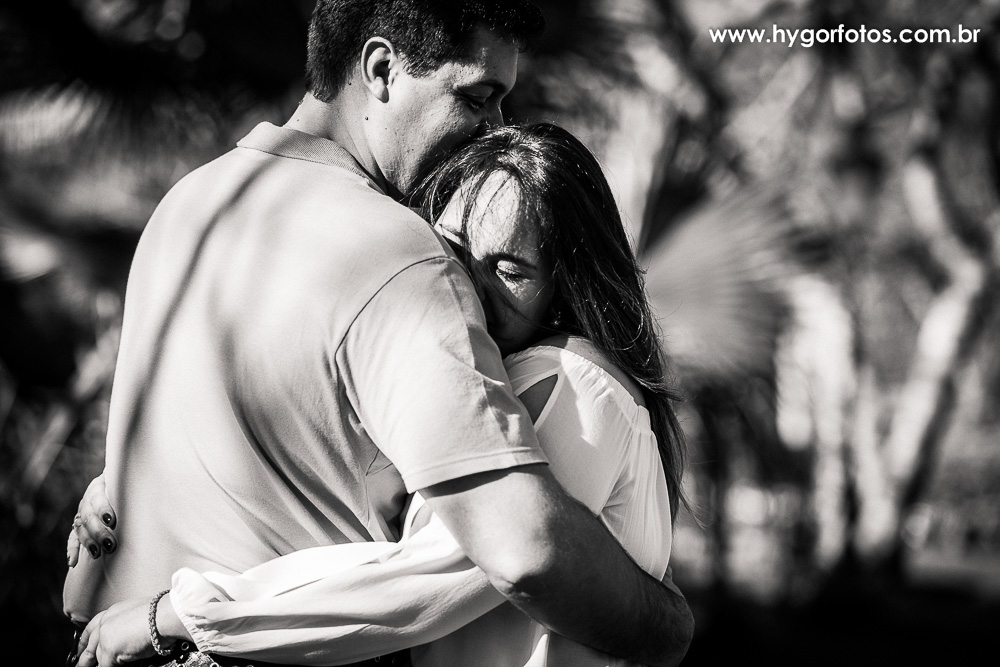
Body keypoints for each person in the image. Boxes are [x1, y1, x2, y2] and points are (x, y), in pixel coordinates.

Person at [63, 1, 693, 665]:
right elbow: (523, 547)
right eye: (477, 97)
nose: (495, 127)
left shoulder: (188, 205)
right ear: (382, 69)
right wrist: (668, 622)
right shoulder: (397, 253)